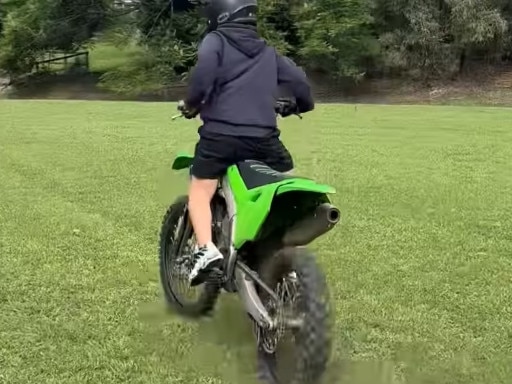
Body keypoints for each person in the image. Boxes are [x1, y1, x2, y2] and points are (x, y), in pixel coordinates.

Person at [179, 0, 315, 286]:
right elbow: (301, 85)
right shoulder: (267, 52)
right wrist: (298, 106)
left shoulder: (215, 41)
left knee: (200, 190)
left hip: (220, 138)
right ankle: (280, 254)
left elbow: (203, 78)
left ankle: (205, 249)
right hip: (264, 141)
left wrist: (192, 104)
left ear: (221, 13)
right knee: (281, 191)